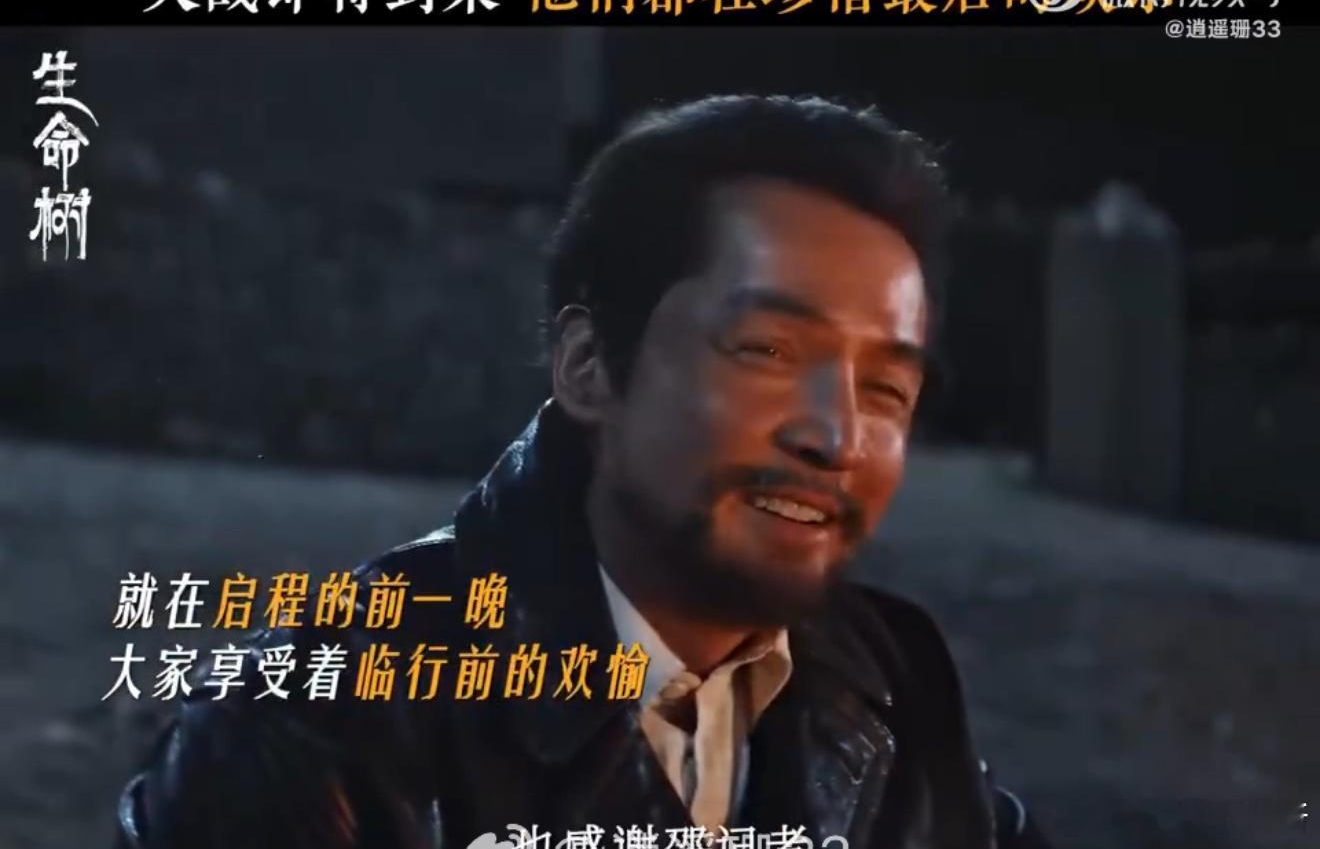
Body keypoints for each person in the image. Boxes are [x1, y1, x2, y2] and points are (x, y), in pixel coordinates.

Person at [114, 94, 1049, 849]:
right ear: (589, 366)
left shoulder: (891, 685)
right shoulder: (320, 725)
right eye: (766, 350)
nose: (835, 435)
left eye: (886, 390)